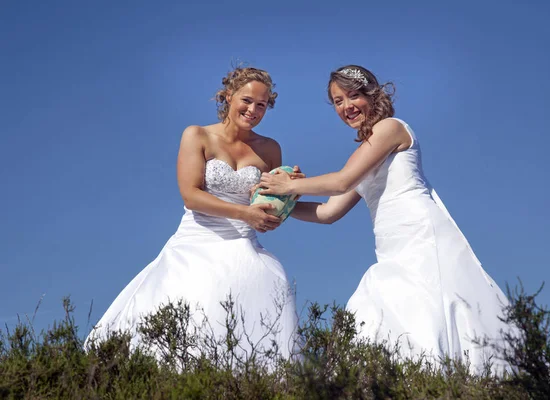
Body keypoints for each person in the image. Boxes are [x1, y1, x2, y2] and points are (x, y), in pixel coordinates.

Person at [259, 65, 512, 374]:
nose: (346, 107)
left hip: (422, 237)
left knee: (428, 311)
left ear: (372, 95)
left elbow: (341, 181)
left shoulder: (390, 128)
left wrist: (289, 186)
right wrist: (281, 206)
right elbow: (328, 212)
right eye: (338, 101)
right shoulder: (367, 149)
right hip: (391, 247)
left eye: (353, 96)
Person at [87, 66, 298, 361]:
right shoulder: (197, 135)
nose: (253, 110)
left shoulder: (270, 148)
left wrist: (290, 187)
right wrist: (245, 214)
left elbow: (266, 198)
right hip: (197, 244)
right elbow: (191, 195)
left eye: (261, 105)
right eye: (246, 100)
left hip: (245, 246)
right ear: (228, 97)